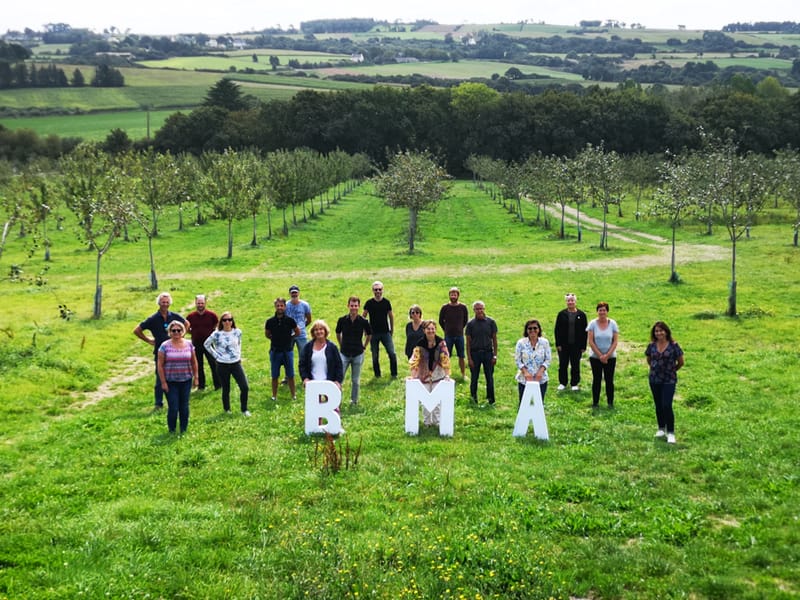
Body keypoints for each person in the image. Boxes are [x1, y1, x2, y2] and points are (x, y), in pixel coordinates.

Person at [134, 292, 185, 409]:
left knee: (174, 376)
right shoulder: (153, 319)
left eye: (167, 302)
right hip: (160, 351)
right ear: (159, 303)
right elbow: (137, 330)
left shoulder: (174, 316)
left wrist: (181, 336)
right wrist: (148, 340)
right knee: (159, 377)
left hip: (174, 351)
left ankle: (175, 399)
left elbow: (186, 324)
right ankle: (158, 403)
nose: (165, 304)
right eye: (163, 302)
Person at [204, 311, 250, 416]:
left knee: (244, 386)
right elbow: (206, 344)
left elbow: (239, 344)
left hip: (235, 363)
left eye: (230, 319)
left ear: (232, 321)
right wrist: (215, 355)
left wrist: (238, 355)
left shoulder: (237, 332)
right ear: (221, 322)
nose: (227, 322)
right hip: (222, 364)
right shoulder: (217, 334)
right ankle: (227, 409)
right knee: (226, 388)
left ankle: (244, 409)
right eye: (225, 320)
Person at [645, 321, 684, 444]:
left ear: (666, 331)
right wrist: (655, 369)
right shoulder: (651, 346)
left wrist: (672, 370)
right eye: (656, 331)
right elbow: (649, 360)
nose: (659, 333)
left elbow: (681, 362)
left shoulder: (674, 345)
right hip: (654, 379)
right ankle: (661, 428)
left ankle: (671, 432)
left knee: (667, 405)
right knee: (658, 404)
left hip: (669, 380)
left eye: (661, 330)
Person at [156, 320, 198, 435]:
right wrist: (163, 382)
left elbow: (194, 361)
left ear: (183, 331)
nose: (176, 332)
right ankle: (172, 430)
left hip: (186, 380)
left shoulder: (189, 344)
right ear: (169, 332)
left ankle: (183, 429)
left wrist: (196, 377)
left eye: (178, 330)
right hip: (171, 381)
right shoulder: (164, 346)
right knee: (173, 407)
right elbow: (160, 365)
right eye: (173, 330)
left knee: (184, 406)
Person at [409, 320, 451, 426]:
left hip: (438, 374)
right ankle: (427, 422)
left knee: (437, 401)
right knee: (425, 400)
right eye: (428, 329)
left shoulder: (441, 343)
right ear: (424, 330)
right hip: (424, 375)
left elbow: (445, 359)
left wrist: (447, 375)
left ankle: (437, 422)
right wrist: (413, 376)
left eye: (433, 329)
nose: (431, 331)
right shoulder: (420, 344)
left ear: (435, 330)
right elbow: (415, 361)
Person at [336, 296, 372, 406]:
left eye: (356, 306)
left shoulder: (363, 321)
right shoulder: (342, 320)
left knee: (355, 380)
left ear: (359, 307)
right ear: (348, 306)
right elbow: (338, 333)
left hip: (358, 353)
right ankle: (337, 400)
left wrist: (364, 346)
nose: (354, 308)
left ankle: (354, 401)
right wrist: (341, 344)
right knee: (339, 379)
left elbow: (369, 334)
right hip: (344, 353)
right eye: (352, 305)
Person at [265, 297, 300, 402]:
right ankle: (274, 395)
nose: (280, 307)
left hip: (287, 351)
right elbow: (267, 334)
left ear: (285, 307)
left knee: (290, 374)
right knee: (275, 375)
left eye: (281, 305)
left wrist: (290, 338)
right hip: (275, 351)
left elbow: (297, 332)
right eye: (278, 305)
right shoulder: (270, 321)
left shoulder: (290, 320)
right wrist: (274, 338)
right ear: (275, 307)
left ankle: (293, 395)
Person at [587, 302, 620, 408]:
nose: (602, 312)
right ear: (597, 311)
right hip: (595, 357)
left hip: (610, 358)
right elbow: (591, 341)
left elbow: (615, 342)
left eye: (604, 310)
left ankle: (610, 402)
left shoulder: (613, 324)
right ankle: (595, 402)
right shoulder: (592, 324)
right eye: (600, 310)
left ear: (607, 311)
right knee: (596, 380)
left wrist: (607, 355)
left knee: (609, 380)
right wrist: (600, 355)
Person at [362, 280, 398, 378]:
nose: (378, 291)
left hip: (385, 332)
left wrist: (392, 329)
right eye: (376, 290)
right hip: (373, 334)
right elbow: (363, 317)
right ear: (372, 291)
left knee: (392, 353)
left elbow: (391, 316)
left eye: (380, 289)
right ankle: (377, 375)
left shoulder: (386, 302)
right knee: (375, 356)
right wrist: (365, 330)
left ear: (382, 290)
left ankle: (394, 374)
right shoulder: (369, 303)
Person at [465, 300, 498, 405]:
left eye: (481, 308)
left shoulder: (491, 322)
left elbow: (495, 340)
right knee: (474, 378)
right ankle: (473, 399)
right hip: (475, 354)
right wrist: (469, 358)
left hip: (488, 353)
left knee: (489, 377)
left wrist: (495, 355)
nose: (479, 311)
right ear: (474, 310)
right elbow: (468, 342)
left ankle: (491, 399)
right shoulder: (470, 324)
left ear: (484, 309)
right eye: (477, 309)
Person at [554, 293, 588, 391]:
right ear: (566, 302)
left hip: (576, 346)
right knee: (563, 364)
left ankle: (574, 383)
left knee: (575, 364)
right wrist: (558, 344)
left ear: (575, 301)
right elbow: (557, 330)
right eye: (568, 300)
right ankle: (562, 383)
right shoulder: (561, 314)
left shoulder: (582, 315)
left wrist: (583, 346)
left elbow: (585, 331)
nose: (570, 302)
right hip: (563, 346)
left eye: (572, 300)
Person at [185, 294, 220, 391]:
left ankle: (218, 385)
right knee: (198, 365)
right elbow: (186, 328)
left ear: (205, 303)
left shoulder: (212, 315)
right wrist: (192, 333)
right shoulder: (190, 316)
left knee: (213, 364)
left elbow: (216, 325)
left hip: (209, 344)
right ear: (195, 303)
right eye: (198, 303)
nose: (200, 305)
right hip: (196, 344)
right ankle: (201, 385)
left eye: (202, 303)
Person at [514, 319, 552, 405]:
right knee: (524, 404)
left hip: (541, 378)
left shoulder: (544, 342)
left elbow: (548, 359)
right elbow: (518, 359)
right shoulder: (521, 343)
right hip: (524, 379)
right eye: (530, 328)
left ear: (539, 329)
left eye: (535, 328)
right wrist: (525, 372)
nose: (532, 331)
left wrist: (541, 371)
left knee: (538, 404)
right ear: (526, 330)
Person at [299, 320, 344, 387]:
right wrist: (305, 378)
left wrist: (338, 381)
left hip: (329, 383)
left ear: (325, 331)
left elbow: (339, 365)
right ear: (313, 332)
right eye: (316, 330)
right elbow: (302, 364)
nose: (319, 331)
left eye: (321, 329)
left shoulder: (332, 347)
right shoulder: (308, 347)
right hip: (312, 383)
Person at [438, 286, 469, 379]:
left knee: (461, 356)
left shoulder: (463, 307)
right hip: (448, 336)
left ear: (458, 295)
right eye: (451, 294)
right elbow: (440, 321)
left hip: (459, 335)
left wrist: (460, 328)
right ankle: (445, 374)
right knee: (446, 356)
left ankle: (463, 374)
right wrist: (446, 329)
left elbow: (465, 320)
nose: (453, 296)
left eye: (455, 294)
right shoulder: (445, 307)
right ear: (449, 296)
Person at [285, 284, 312, 363]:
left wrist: (302, 327)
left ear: (299, 293)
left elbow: (309, 319)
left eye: (295, 292)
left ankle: (304, 373)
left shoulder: (305, 305)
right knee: (288, 355)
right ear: (289, 294)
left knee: (304, 355)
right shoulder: (286, 305)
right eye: (292, 293)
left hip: (302, 334)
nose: (294, 294)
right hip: (289, 334)